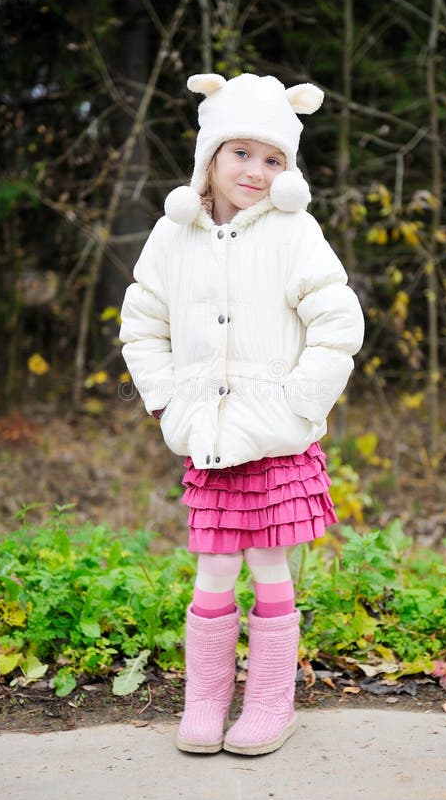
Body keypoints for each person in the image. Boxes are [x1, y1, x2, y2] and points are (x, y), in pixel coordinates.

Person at [119, 72, 364, 756]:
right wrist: (166, 398)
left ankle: (268, 704)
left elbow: (337, 324)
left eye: (272, 158)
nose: (255, 171)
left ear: (288, 168)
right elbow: (141, 323)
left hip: (275, 438)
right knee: (212, 571)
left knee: (268, 564)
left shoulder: (294, 233)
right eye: (240, 153)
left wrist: (299, 401)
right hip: (209, 438)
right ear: (209, 156)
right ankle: (205, 700)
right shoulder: (174, 238)